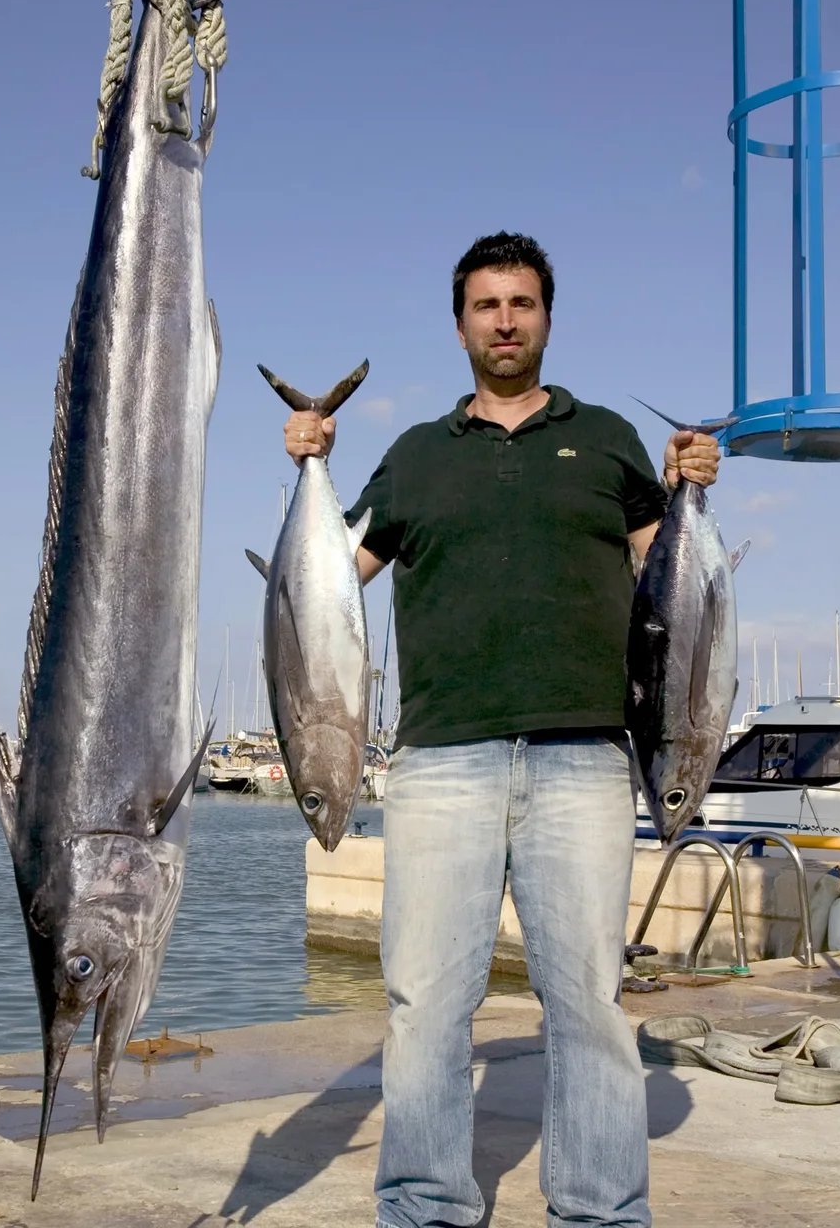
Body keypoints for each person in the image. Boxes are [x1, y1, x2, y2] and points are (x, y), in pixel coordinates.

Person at [283, 230, 720, 1228]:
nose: (506, 321)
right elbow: (330, 585)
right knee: (426, 1007)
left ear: (547, 318)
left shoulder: (607, 438)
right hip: (443, 758)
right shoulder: (413, 456)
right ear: (460, 324)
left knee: (590, 1007)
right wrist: (307, 468)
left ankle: (602, 1210)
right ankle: (425, 1205)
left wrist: (692, 483)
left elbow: (671, 580)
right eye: (487, 305)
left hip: (585, 755)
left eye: (522, 303)